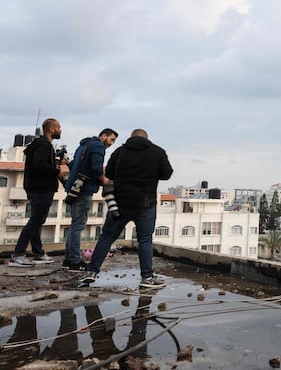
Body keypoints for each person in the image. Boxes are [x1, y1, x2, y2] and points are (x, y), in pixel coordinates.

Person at [79, 129, 173, 289]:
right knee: (144, 240)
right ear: (146, 138)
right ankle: (147, 277)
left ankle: (91, 272)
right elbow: (167, 174)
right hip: (145, 203)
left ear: (131, 138)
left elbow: (108, 173)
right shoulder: (157, 152)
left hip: (120, 202)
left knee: (107, 237)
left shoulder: (120, 151)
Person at [11, 118, 68, 267]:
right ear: (51, 129)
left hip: (36, 187)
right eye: (59, 127)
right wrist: (57, 171)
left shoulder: (40, 145)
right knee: (36, 220)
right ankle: (18, 254)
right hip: (41, 188)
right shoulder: (43, 145)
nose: (60, 130)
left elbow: (40, 164)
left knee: (37, 220)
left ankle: (38, 253)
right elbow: (40, 165)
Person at [62, 128, 118, 271]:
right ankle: (74, 261)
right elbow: (97, 169)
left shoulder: (84, 145)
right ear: (103, 136)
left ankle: (69, 259)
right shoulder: (98, 146)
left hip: (74, 188)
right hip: (84, 189)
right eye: (111, 139)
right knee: (78, 225)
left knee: (75, 224)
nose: (111, 143)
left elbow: (74, 164)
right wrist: (104, 180)